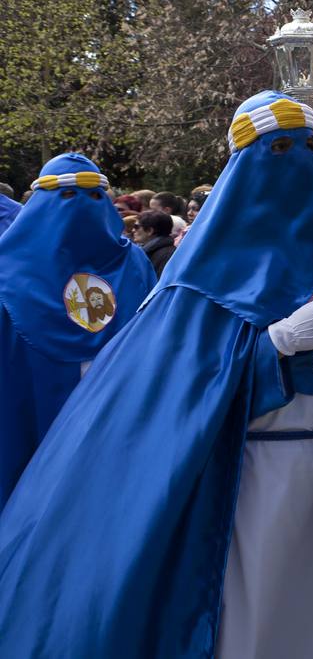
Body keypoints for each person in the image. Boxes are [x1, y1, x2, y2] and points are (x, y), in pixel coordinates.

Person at [0, 92, 313, 657]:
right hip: (257, 476)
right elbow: (175, 387)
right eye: (276, 148)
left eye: (309, 148)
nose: (295, 160)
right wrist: (273, 347)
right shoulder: (195, 276)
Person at [0, 153, 155, 508]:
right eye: (67, 198)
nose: (81, 210)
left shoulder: (133, 262)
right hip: (31, 400)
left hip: (115, 407)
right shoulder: (7, 267)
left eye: (93, 198)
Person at [134, 208, 177, 276]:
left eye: (136, 227)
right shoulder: (145, 251)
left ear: (149, 231)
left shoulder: (167, 255)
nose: (133, 230)